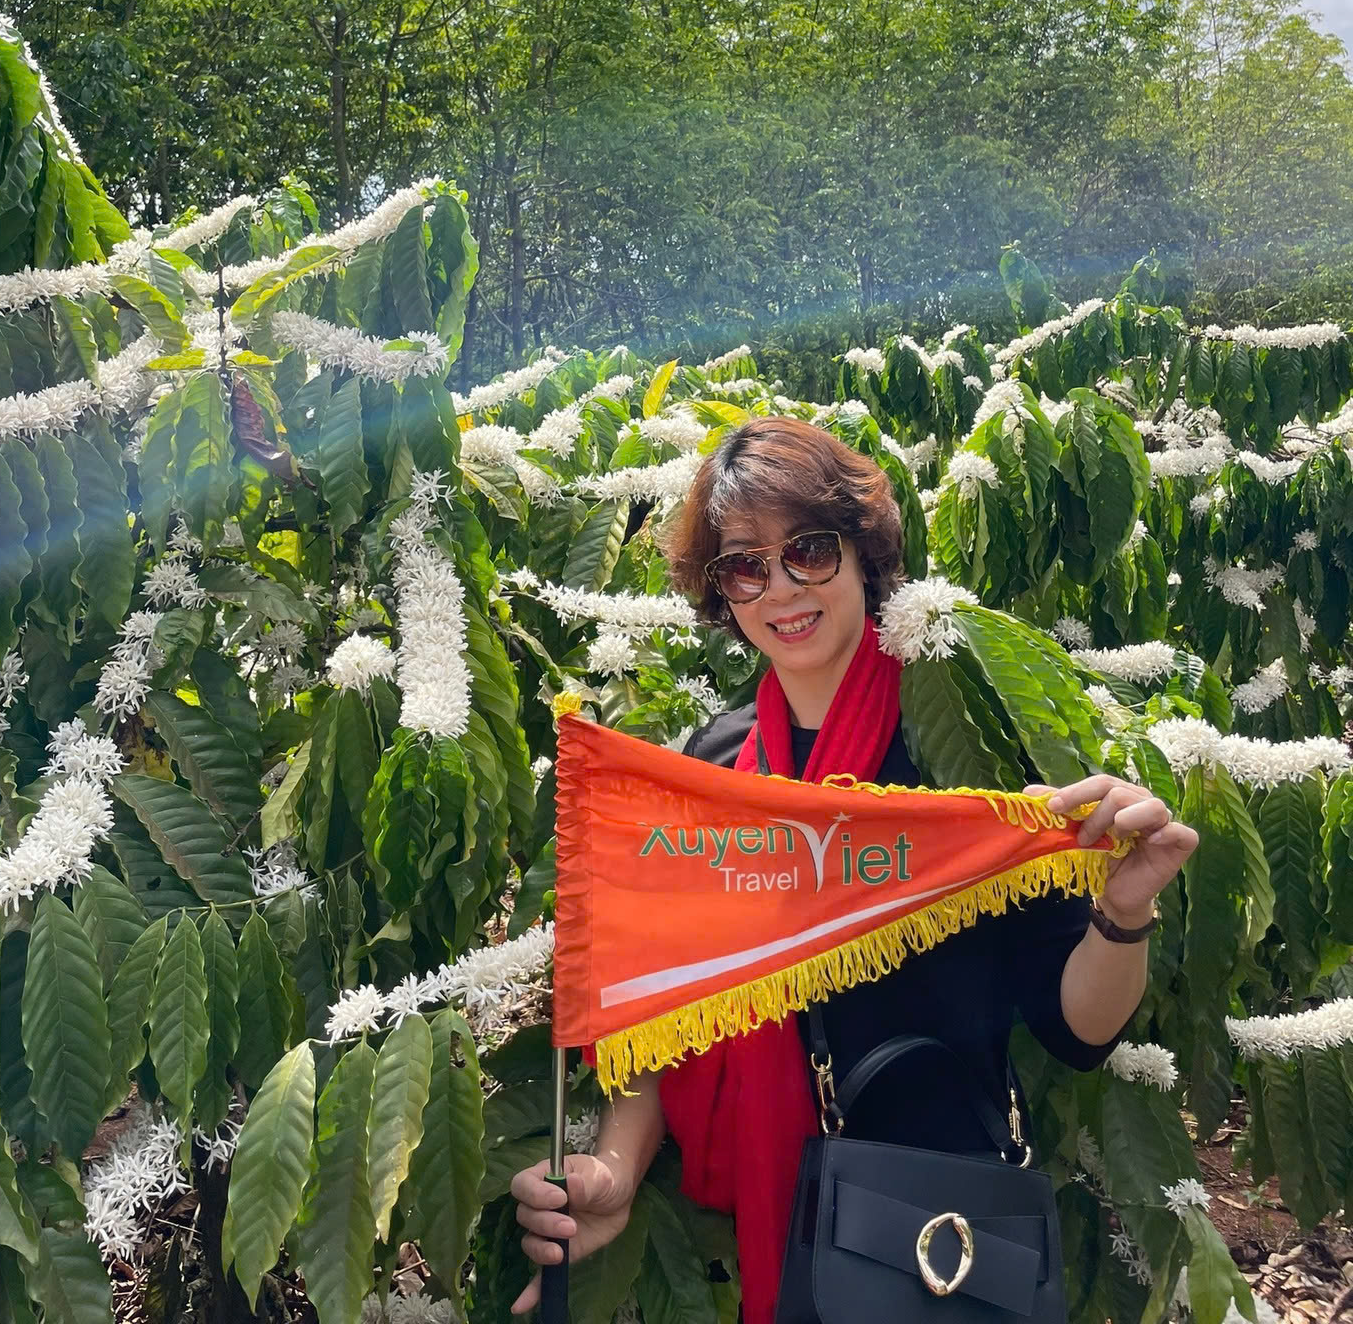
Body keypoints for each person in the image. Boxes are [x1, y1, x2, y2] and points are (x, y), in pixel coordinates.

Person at [509, 417, 1199, 1323]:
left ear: (864, 554)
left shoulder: (960, 754)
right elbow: (665, 1008)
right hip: (764, 1225)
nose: (782, 588)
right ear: (721, 593)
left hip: (935, 1233)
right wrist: (615, 1168)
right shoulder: (712, 772)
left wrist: (1123, 911)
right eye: (745, 566)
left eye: (810, 550)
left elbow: (1079, 1031)